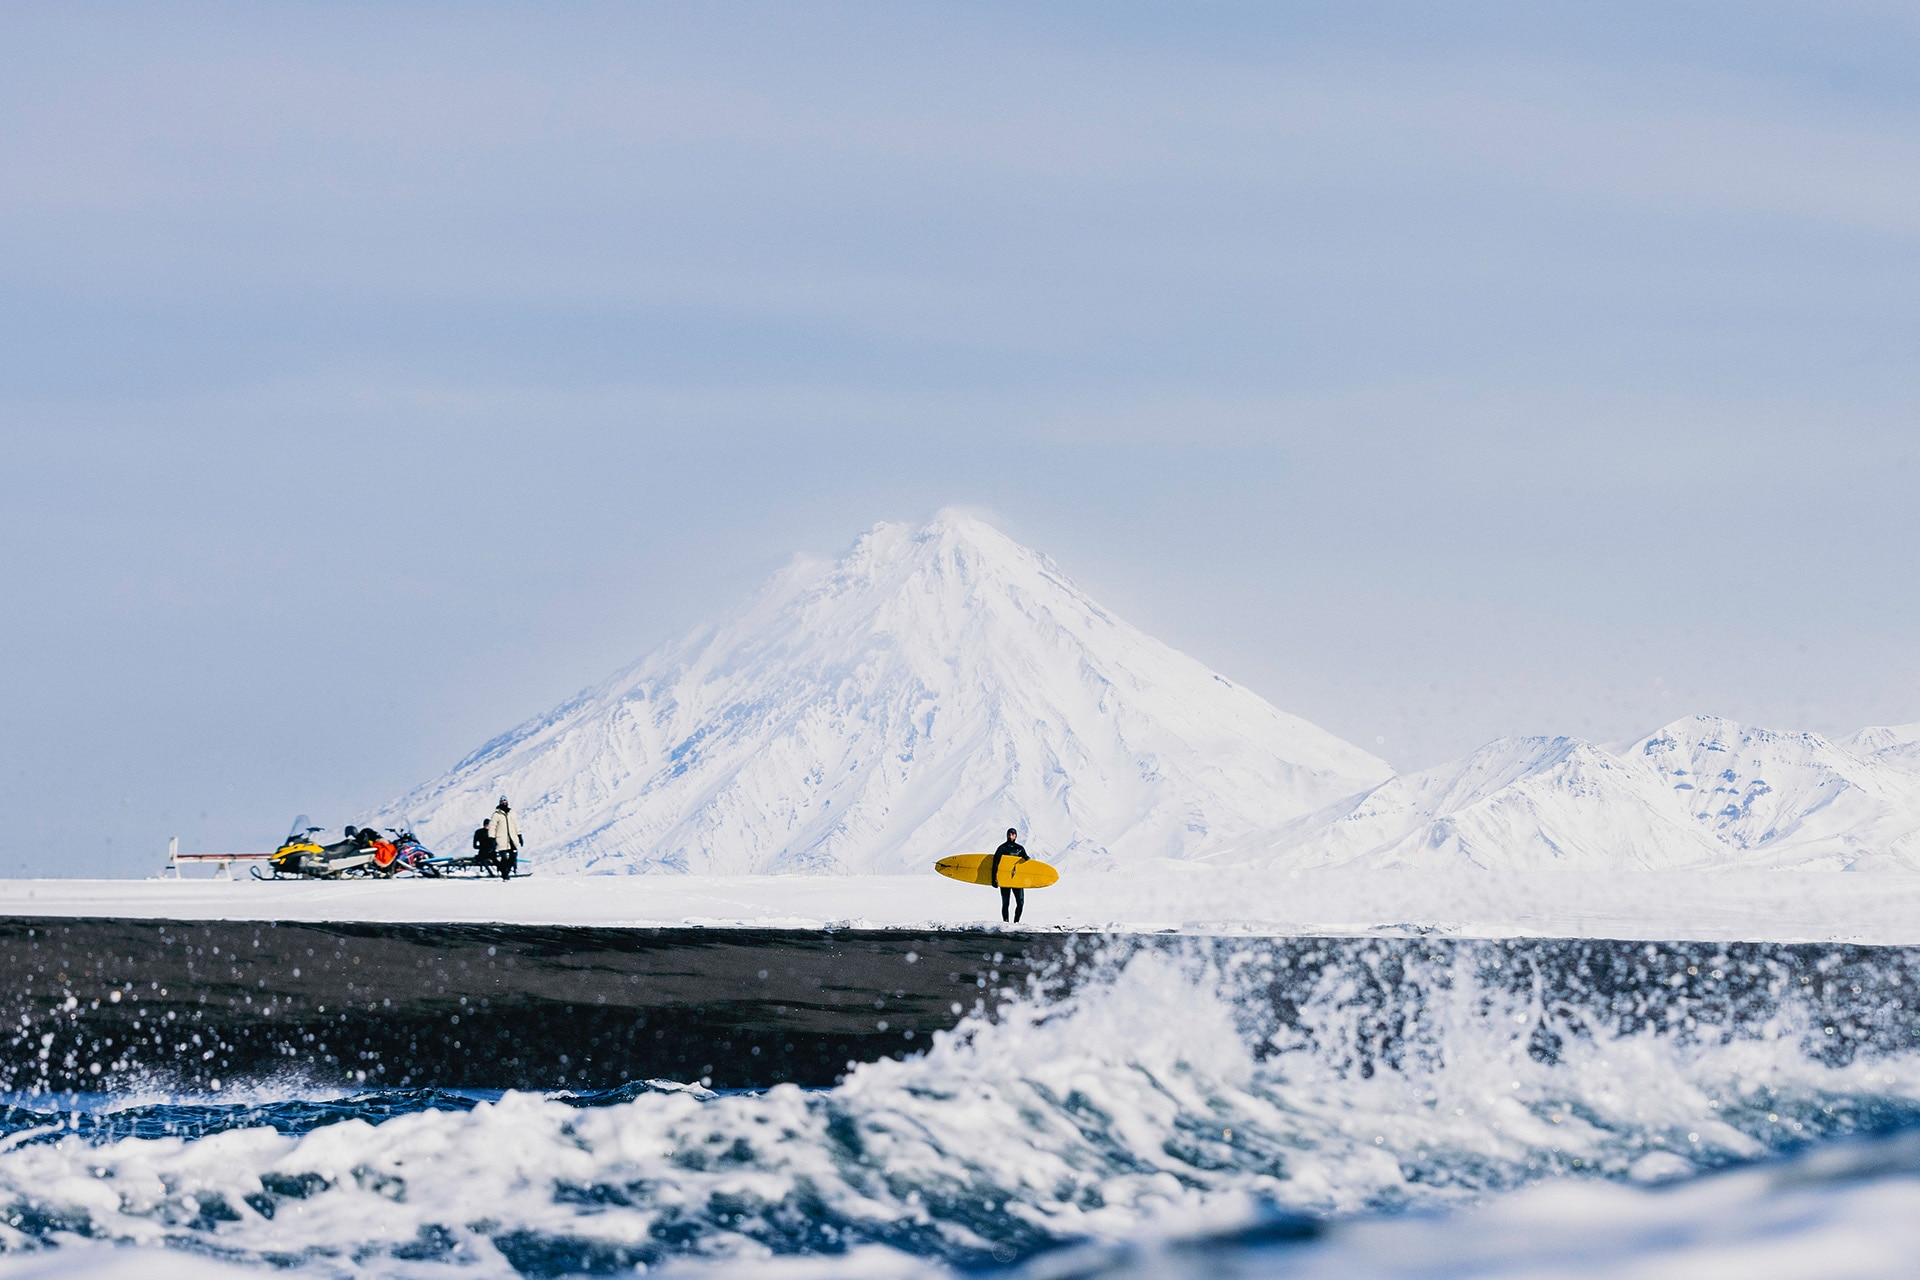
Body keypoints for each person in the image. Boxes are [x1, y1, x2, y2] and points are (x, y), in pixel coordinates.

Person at [990, 827, 1029, 923]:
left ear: (1016, 836)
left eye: (1012, 834)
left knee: (1020, 903)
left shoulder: (1020, 849)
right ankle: (1006, 922)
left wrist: (1026, 858)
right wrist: (994, 878)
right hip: (1004, 880)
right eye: (1009, 834)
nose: (1010, 836)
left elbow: (1025, 863)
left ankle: (1016, 922)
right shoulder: (1002, 848)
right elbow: (995, 864)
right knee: (1005, 903)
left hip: (1017, 880)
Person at [484, 796, 524, 878]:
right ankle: (505, 874)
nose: (504, 803)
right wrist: (492, 838)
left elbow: (516, 825)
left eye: (505, 801)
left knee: (513, 857)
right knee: (504, 858)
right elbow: (492, 827)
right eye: (503, 802)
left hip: (512, 839)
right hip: (501, 839)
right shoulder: (496, 815)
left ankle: (506, 871)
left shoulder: (512, 813)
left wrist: (519, 835)